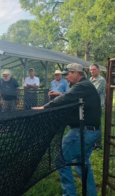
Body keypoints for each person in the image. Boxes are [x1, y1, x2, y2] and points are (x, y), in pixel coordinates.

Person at [33, 63, 101, 196]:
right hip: (91, 131)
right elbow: (70, 95)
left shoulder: (83, 86)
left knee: (61, 160)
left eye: (68, 74)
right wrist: (60, 94)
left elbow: (67, 98)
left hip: (83, 132)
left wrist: (45, 107)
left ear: (76, 73)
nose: (66, 78)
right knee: (82, 164)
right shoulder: (84, 85)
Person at [89, 64, 106, 151]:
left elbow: (94, 91)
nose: (92, 71)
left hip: (98, 105)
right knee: (91, 124)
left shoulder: (101, 80)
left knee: (97, 124)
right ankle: (93, 143)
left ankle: (98, 144)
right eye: (91, 70)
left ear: (98, 70)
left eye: (94, 69)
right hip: (91, 105)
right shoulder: (90, 80)